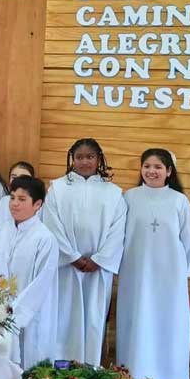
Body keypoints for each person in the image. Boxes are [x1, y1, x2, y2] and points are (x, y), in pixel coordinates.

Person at [117, 149, 190, 379]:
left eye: (158, 167)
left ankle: (166, 377)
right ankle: (132, 374)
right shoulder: (129, 197)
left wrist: (183, 273)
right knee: (137, 321)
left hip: (169, 277)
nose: (151, 171)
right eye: (147, 166)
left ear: (169, 172)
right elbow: (119, 235)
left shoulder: (178, 201)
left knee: (165, 323)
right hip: (136, 273)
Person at [43, 138, 126, 365]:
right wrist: (72, 257)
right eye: (79, 157)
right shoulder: (58, 188)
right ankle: (59, 368)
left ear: (99, 159)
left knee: (93, 319)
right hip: (67, 269)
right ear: (72, 159)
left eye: (90, 157)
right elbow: (52, 225)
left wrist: (99, 260)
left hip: (98, 270)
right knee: (65, 318)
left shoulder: (113, 193)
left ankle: (90, 368)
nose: (84, 162)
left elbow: (118, 231)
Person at [0, 176, 59, 369]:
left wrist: (15, 312)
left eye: (22, 199)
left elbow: (42, 282)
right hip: (1, 311)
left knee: (30, 364)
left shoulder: (45, 238)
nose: (14, 204)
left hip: (30, 314)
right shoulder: (1, 232)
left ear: (38, 204)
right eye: (12, 198)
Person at [0, 161, 38, 238]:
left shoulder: (37, 204)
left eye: (23, 177)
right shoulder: (2, 203)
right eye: (14, 177)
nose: (18, 181)